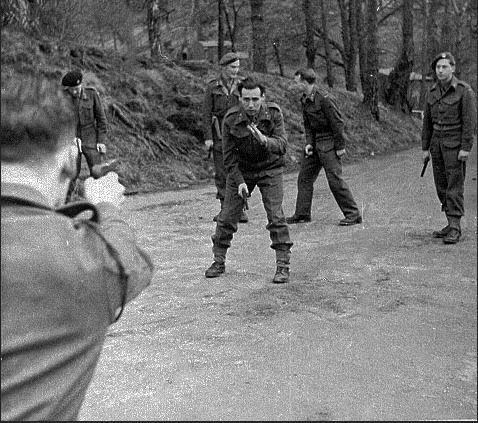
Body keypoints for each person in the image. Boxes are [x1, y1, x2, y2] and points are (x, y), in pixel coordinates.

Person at [1, 75, 154, 420]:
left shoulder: (92, 97)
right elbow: (131, 263)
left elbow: (99, 120)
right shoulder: (91, 260)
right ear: (71, 162)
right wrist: (107, 207)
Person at [205, 76, 293, 283]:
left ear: (263, 97)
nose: (251, 105)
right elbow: (228, 158)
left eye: (255, 99)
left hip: (270, 169)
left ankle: (283, 266)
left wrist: (265, 140)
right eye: (246, 100)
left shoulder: (273, 114)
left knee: (276, 216)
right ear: (240, 98)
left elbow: (282, 145)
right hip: (242, 171)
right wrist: (240, 181)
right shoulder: (230, 119)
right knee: (226, 217)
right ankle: (218, 260)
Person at [286, 68, 362, 226]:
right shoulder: (305, 99)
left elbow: (337, 123)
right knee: (304, 178)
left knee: (334, 180)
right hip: (315, 144)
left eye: (296, 82)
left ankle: (353, 214)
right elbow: (308, 125)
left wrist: (340, 146)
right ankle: (302, 214)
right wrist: (308, 143)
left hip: (329, 143)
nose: (293, 85)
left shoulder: (324, 99)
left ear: (305, 83)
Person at [421, 52, 477, 244]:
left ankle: (455, 226)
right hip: (437, 144)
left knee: (454, 186)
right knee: (441, 186)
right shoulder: (432, 92)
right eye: (438, 67)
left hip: (455, 144)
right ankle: (449, 222)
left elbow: (469, 122)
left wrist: (466, 147)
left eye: (445, 67)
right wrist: (424, 148)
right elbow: (427, 123)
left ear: (453, 68)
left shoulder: (464, 91)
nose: (441, 70)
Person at [203, 52, 248, 223]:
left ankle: (241, 210)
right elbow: (206, 114)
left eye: (237, 67)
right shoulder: (213, 87)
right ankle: (225, 209)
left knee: (239, 171)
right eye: (232, 67)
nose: (235, 71)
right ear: (223, 67)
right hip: (219, 134)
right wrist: (208, 137)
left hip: (238, 133)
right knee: (222, 173)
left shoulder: (242, 85)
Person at [61, 70, 108, 201]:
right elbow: (59, 122)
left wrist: (101, 141)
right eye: (71, 89)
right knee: (72, 173)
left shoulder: (92, 94)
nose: (74, 92)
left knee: (97, 170)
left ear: (81, 85)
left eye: (76, 88)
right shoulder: (63, 97)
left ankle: (101, 202)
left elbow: (101, 119)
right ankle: (66, 203)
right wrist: (70, 137)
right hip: (72, 139)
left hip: (91, 137)